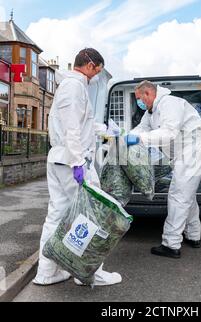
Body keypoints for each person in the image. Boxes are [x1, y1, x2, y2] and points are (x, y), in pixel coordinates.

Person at [33, 48, 122, 286]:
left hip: (59, 160)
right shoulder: (74, 87)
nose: (95, 78)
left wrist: (106, 130)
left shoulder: (71, 86)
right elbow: (72, 128)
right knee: (92, 216)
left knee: (56, 216)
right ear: (90, 64)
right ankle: (91, 274)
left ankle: (47, 272)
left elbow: (82, 123)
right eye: (97, 72)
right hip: (72, 162)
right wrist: (78, 163)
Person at [125, 81, 201, 258]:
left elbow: (169, 133)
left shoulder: (169, 104)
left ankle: (171, 244)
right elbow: (142, 128)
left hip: (193, 149)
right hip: (184, 153)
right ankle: (193, 235)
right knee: (187, 195)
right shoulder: (151, 112)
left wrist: (140, 139)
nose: (139, 103)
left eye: (140, 99)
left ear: (148, 94)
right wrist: (128, 135)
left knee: (178, 195)